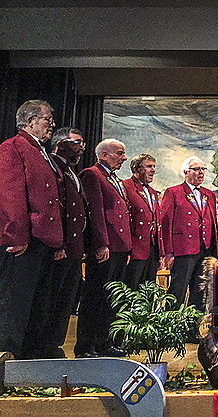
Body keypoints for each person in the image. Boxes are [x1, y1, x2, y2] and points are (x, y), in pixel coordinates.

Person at [0, 100, 64, 359]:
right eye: (48, 119)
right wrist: (17, 235)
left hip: (42, 240)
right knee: (14, 301)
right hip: (24, 241)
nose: (52, 125)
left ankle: (28, 355)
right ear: (30, 121)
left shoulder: (40, 151)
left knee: (35, 302)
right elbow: (11, 194)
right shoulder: (12, 147)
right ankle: (7, 354)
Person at [22, 127, 88, 358]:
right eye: (76, 143)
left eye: (82, 144)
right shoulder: (53, 166)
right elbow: (55, 207)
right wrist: (60, 244)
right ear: (60, 143)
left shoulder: (70, 171)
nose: (80, 148)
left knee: (65, 300)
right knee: (50, 298)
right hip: (60, 246)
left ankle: (54, 344)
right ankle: (41, 345)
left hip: (73, 247)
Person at [76, 138, 132, 357]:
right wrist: (101, 244)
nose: (124, 157)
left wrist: (126, 248)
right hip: (105, 247)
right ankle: (85, 346)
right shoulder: (92, 174)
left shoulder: (113, 178)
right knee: (95, 297)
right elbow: (95, 213)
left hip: (119, 247)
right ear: (104, 155)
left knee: (112, 299)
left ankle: (104, 343)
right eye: (119, 153)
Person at [161, 156, 218, 313]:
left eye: (202, 169)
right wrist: (168, 252)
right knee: (177, 291)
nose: (201, 173)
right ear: (186, 172)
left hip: (205, 249)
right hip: (183, 251)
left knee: (199, 293)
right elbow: (166, 223)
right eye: (196, 169)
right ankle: (172, 328)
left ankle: (193, 330)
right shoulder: (173, 192)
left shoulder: (209, 194)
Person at [124, 153, 162, 290]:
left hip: (152, 251)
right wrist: (128, 251)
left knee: (148, 292)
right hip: (135, 250)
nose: (153, 170)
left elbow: (157, 222)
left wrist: (160, 254)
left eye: (154, 166)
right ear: (136, 169)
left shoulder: (152, 192)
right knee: (131, 290)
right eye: (149, 167)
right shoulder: (126, 187)